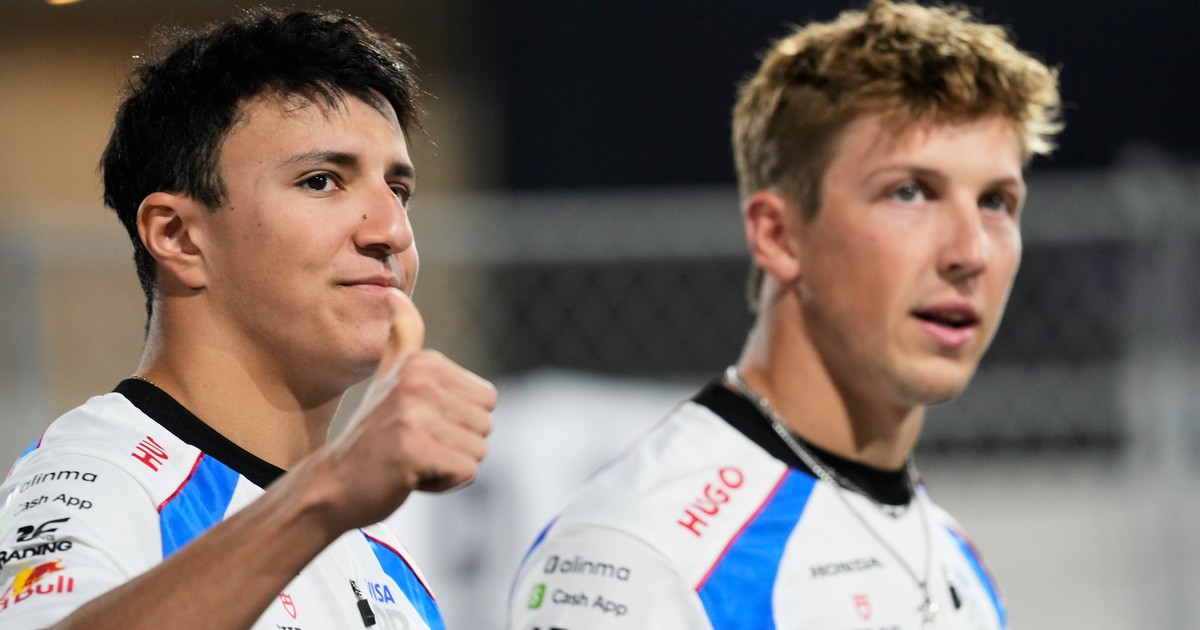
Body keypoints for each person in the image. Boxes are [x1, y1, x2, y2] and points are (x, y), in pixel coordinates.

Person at [507, 1, 1061, 628]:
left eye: (996, 201)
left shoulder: (953, 553)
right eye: (909, 192)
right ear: (778, 235)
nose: (971, 252)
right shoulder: (638, 557)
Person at [0, 8, 496, 630]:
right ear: (178, 236)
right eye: (321, 181)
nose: (392, 231)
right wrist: (326, 493)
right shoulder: (100, 478)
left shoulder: (386, 563)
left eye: (398, 191)